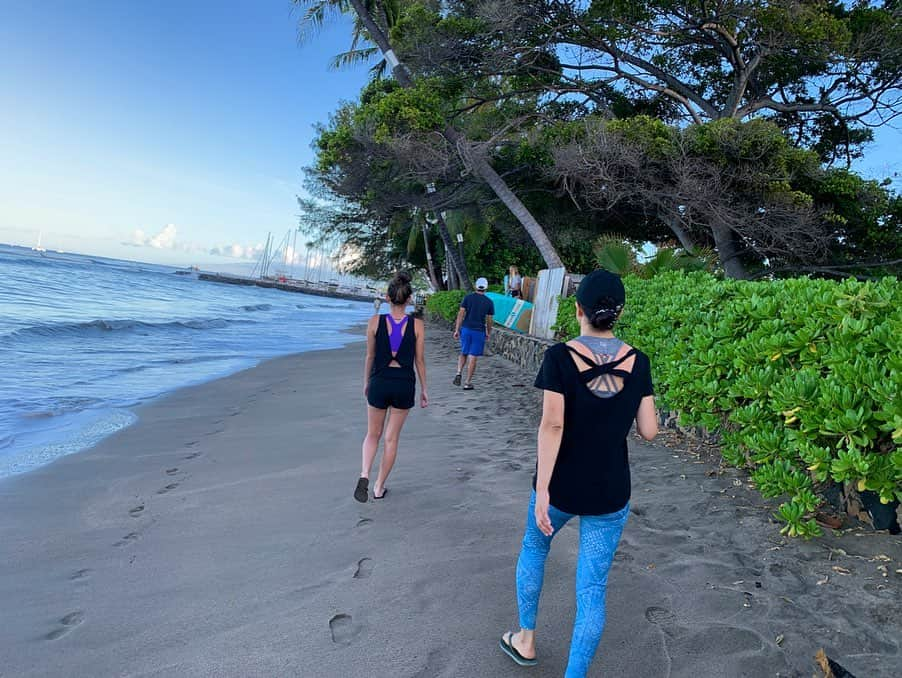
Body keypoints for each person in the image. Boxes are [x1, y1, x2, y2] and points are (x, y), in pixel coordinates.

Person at [499, 269, 658, 677]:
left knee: (534, 550)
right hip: (610, 490)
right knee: (591, 590)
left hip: (561, 485)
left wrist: (545, 489)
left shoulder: (560, 357)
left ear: (578, 310)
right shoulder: (638, 362)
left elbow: (552, 426)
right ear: (617, 314)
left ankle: (526, 639)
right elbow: (649, 430)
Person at [354, 272, 428, 502]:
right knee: (391, 439)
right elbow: (419, 360)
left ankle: (364, 473)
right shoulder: (417, 325)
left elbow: (370, 356)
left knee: (372, 434)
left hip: (379, 380)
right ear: (409, 299)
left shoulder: (375, 322)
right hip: (403, 384)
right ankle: (378, 487)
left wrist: (367, 382)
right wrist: (425, 389)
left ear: (387, 298)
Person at [452, 277, 494, 390]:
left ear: (476, 286)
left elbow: (460, 314)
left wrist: (457, 329)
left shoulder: (468, 298)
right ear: (486, 288)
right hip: (479, 331)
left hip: (466, 329)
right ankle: (467, 382)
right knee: (473, 356)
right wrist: (488, 332)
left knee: (464, 352)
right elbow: (489, 320)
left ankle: (459, 372)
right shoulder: (489, 302)